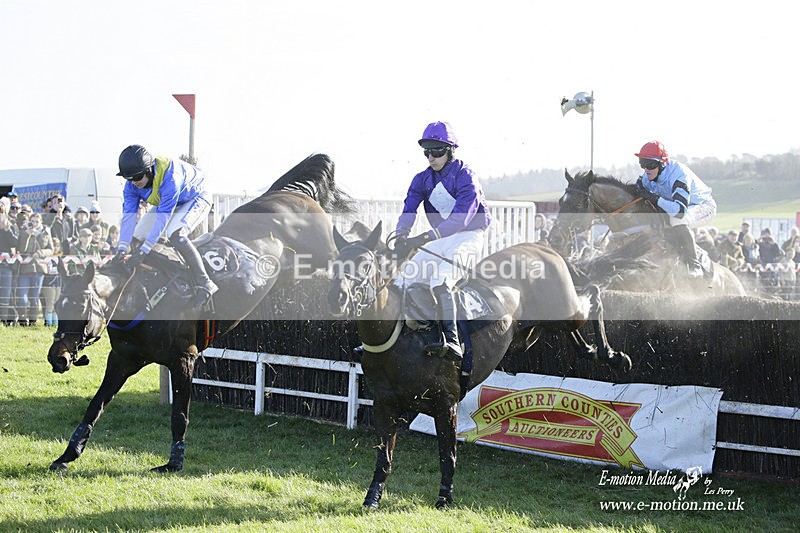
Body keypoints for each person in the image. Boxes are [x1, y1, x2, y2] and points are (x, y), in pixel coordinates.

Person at [393, 122, 492, 362]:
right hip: (441, 238)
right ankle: (392, 340)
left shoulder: (465, 175)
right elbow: (409, 210)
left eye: (436, 151)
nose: (431, 157)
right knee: (402, 279)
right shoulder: (421, 179)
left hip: (469, 236)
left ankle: (453, 340)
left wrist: (424, 237)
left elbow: (461, 218)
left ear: (450, 150)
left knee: (441, 278)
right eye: (426, 151)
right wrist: (400, 235)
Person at [115, 144, 217, 307]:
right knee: (136, 237)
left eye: (137, 178)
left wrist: (144, 250)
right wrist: (121, 248)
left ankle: (205, 283)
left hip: (196, 197)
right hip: (169, 201)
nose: (134, 183)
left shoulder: (170, 178)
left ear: (148, 170)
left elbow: (162, 220)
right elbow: (129, 217)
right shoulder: (131, 185)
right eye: (130, 179)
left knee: (176, 234)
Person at [634, 141, 716, 278]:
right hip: (679, 208)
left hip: (703, 206)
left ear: (662, 164)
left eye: (650, 165)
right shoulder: (647, 178)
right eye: (642, 163)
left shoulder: (679, 175)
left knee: (676, 220)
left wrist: (655, 199)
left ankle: (694, 265)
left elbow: (679, 211)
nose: (646, 169)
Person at [15, 212, 53, 325]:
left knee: (35, 297)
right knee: (23, 297)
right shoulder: (23, 231)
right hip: (24, 269)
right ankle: (22, 320)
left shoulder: (46, 232)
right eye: (32, 221)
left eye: (37, 222)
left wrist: (40, 253)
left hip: (39, 269)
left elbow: (51, 249)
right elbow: (21, 249)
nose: (35, 224)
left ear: (41, 222)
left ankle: (33, 321)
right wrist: (27, 235)